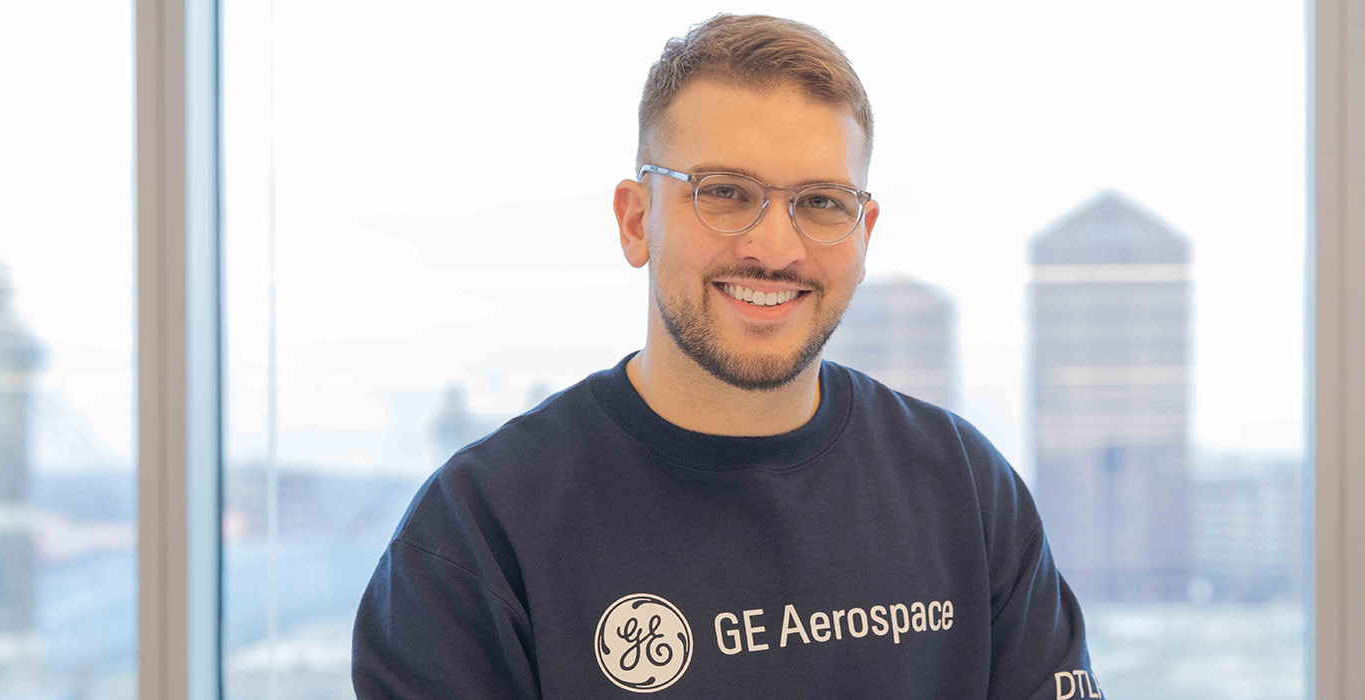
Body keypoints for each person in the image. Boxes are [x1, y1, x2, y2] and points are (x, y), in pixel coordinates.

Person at [352, 13, 1103, 699]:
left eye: (821, 202)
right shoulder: (480, 534)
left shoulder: (966, 491)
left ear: (864, 232)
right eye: (725, 193)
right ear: (636, 219)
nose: (775, 249)